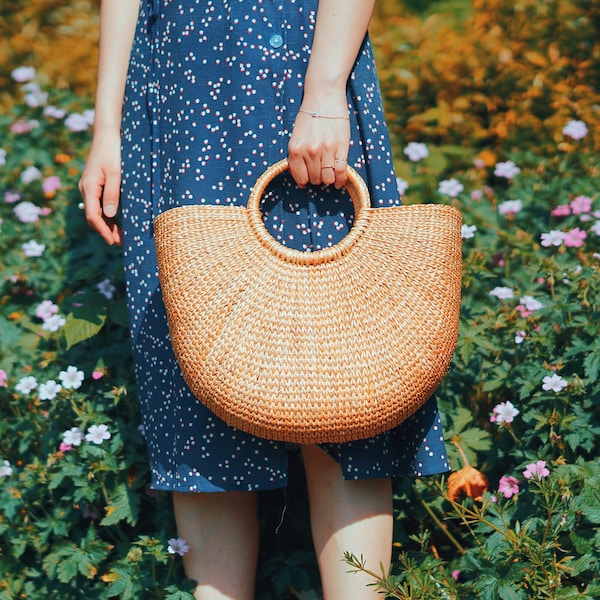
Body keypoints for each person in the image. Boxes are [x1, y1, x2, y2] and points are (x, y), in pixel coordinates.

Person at [79, 1, 450, 598]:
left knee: (338, 377)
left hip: (289, 65)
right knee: (199, 394)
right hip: (173, 86)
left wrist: (326, 90)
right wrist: (108, 127)